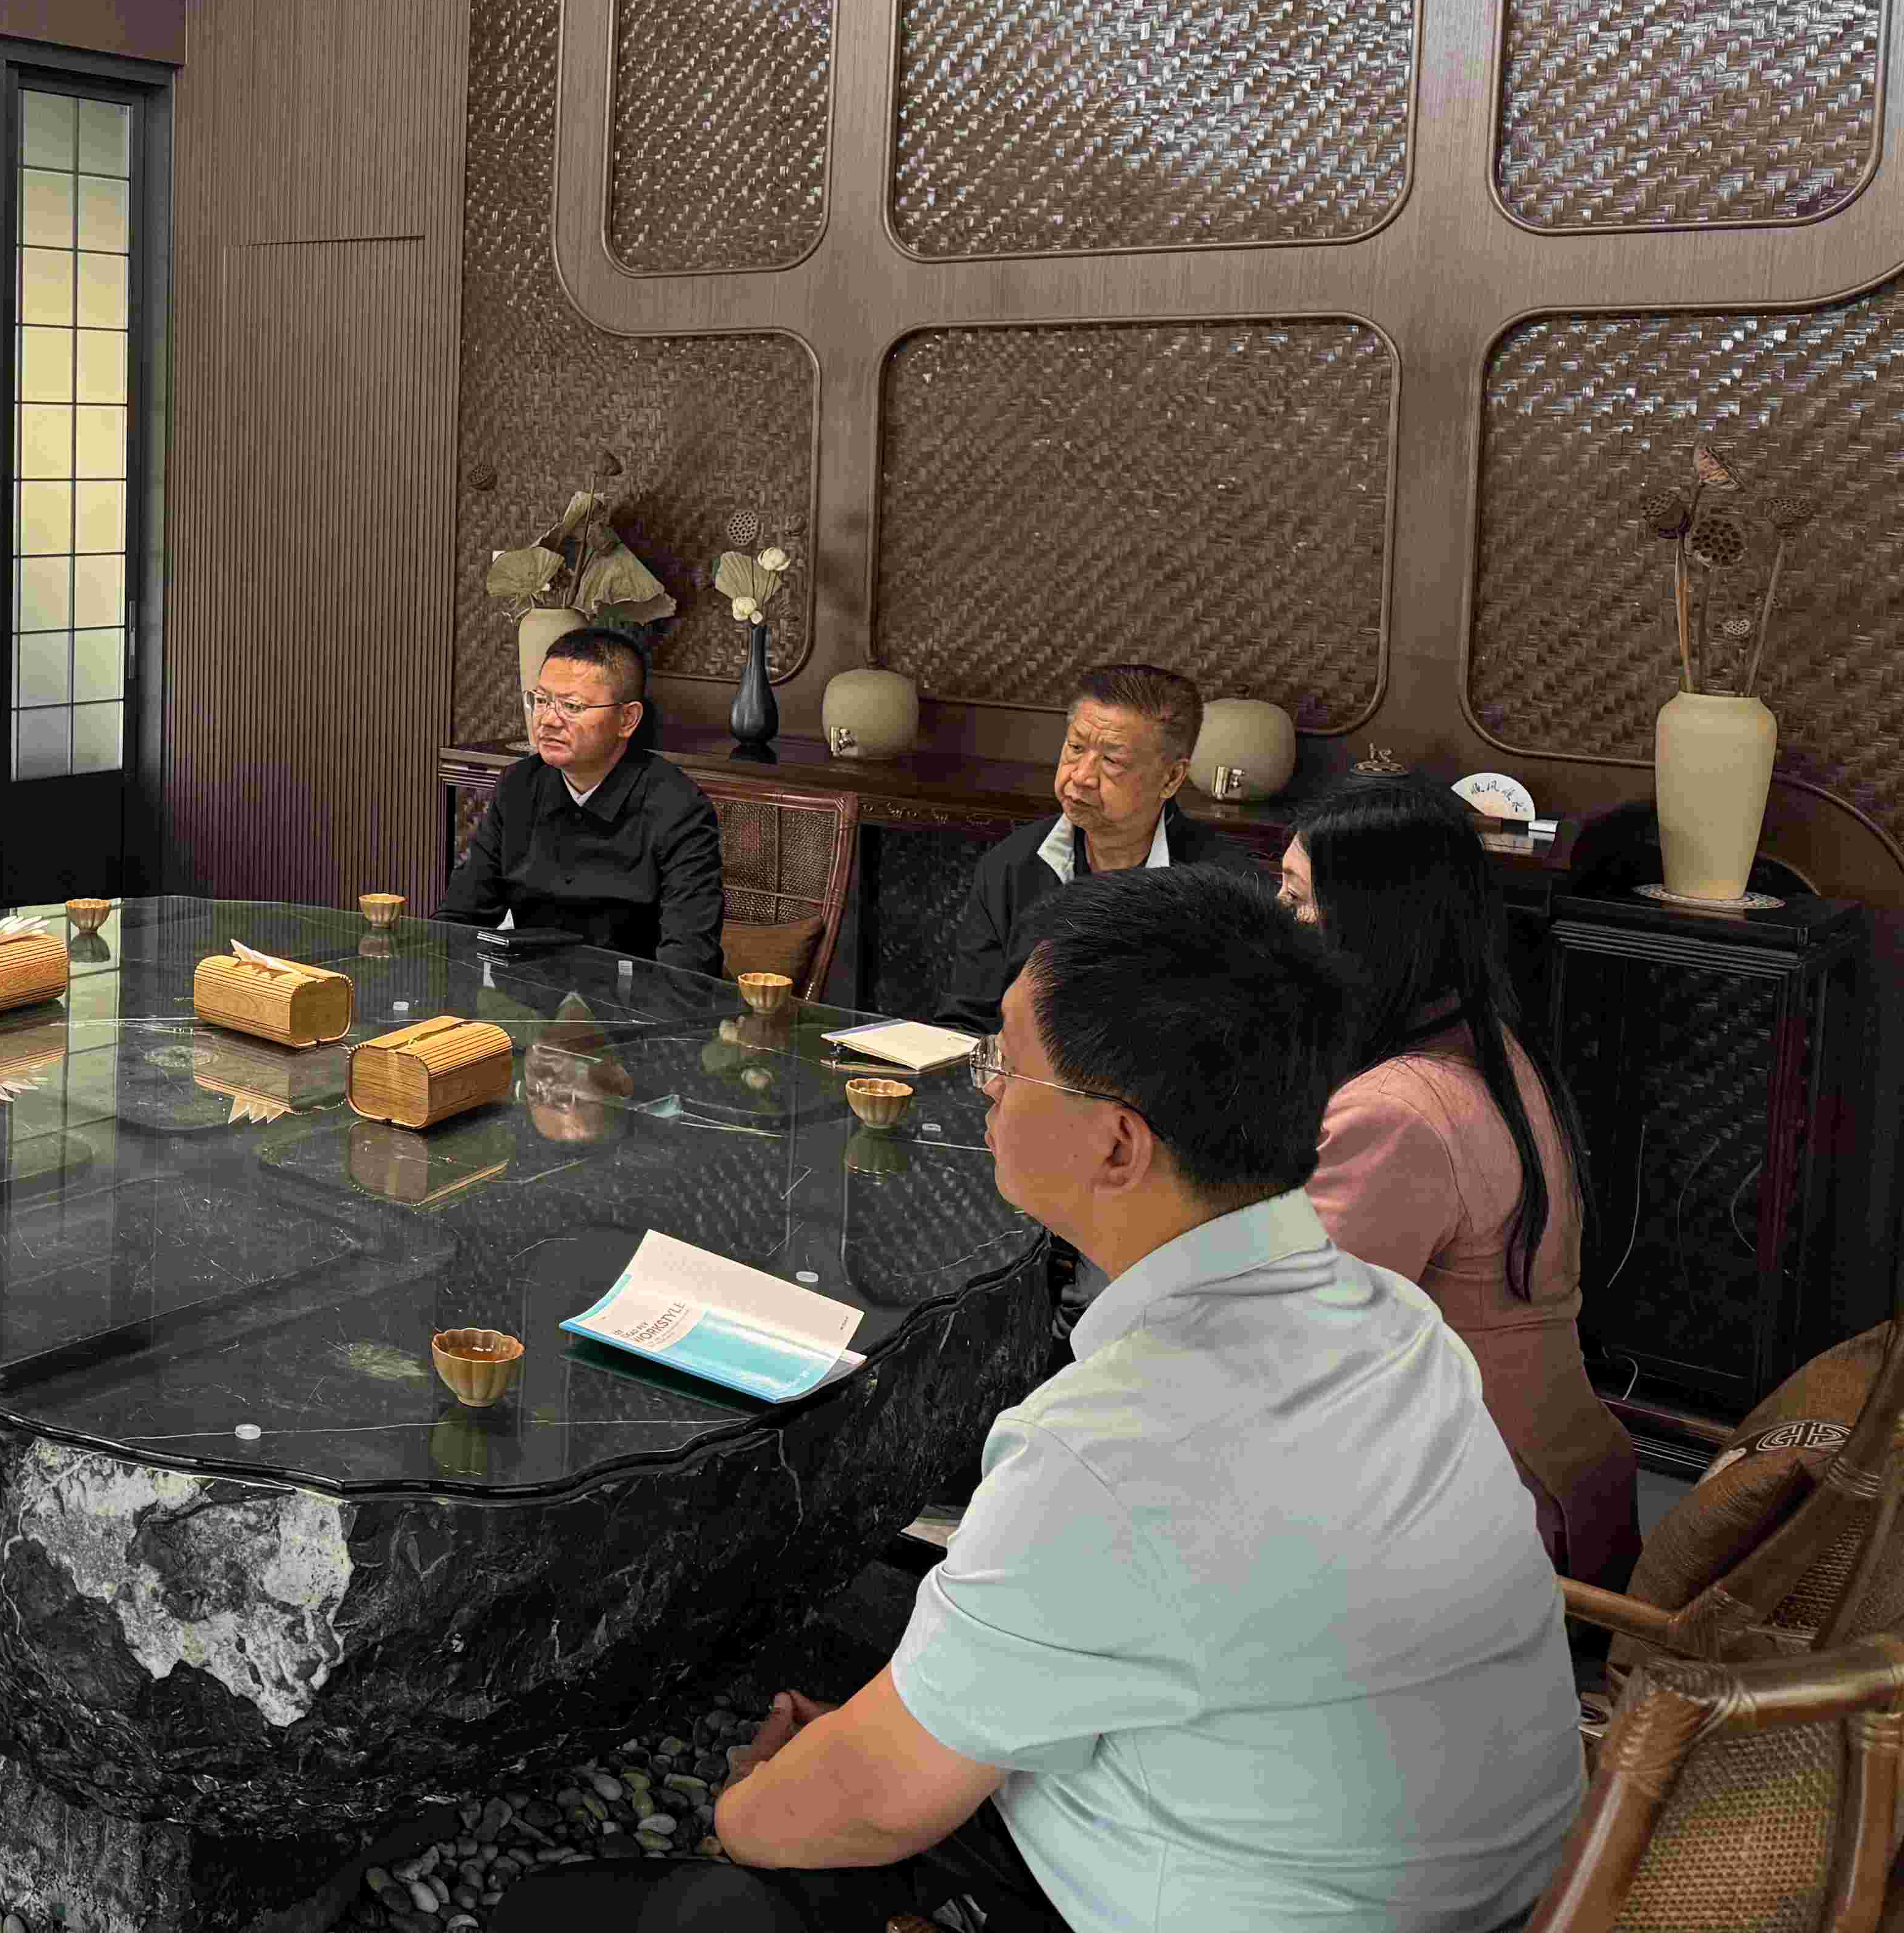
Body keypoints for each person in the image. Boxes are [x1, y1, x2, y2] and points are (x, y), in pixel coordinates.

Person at [502, 867, 1585, 1932]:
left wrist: (737, 1814)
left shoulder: (1110, 1454)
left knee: (566, 1906)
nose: (985, 1085)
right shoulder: (1396, 1323)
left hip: (1226, 1897)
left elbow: (872, 1801)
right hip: (1467, 1880)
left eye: (1007, 1062)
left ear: (1117, 1141)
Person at [1284, 777, 1642, 1590]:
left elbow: (1298, 1342)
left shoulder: (1399, 1113)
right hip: (1562, 1484)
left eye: (1297, 901)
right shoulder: (1486, 1043)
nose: (1278, 922)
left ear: (1372, 925)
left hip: (1489, 1525)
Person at [931, 663, 1244, 1032]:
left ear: (1171, 778)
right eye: (1075, 748)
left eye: (1112, 760)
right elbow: (967, 1022)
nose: (1080, 776)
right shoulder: (1011, 866)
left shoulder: (1226, 891)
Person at [440, 628, 728, 977]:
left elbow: (689, 962)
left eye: (572, 706)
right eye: (541, 700)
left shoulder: (678, 807)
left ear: (627, 719)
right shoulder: (518, 786)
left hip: (638, 1003)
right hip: (532, 998)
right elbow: (459, 919)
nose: (548, 720)